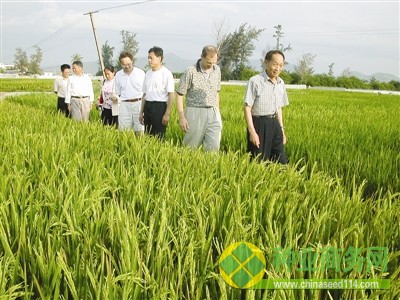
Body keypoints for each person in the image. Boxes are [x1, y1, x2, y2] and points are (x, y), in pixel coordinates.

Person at [243, 50, 289, 164]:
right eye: (275, 64)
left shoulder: (281, 83)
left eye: (281, 65)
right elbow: (247, 107)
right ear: (266, 63)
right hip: (259, 124)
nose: (277, 68)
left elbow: (279, 108)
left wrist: (282, 130)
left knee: (281, 162)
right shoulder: (255, 81)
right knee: (258, 162)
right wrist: (252, 132)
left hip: (275, 124)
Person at [176, 45, 222, 151]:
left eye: (214, 62)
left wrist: (217, 112)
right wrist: (182, 117)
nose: (211, 65)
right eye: (209, 62)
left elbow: (217, 92)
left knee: (214, 147)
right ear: (202, 56)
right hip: (195, 112)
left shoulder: (217, 70)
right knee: (191, 147)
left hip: (213, 112)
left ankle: (210, 167)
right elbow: (179, 95)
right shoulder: (190, 71)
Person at [139, 46, 175, 139]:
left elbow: (171, 95)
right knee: (148, 134)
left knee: (159, 136)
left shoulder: (166, 73)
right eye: (148, 58)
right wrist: (141, 112)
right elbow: (144, 94)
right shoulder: (147, 73)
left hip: (159, 107)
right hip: (148, 106)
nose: (149, 60)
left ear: (159, 59)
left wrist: (167, 113)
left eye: (151, 58)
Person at [113, 52, 145, 135]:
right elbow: (118, 92)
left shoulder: (140, 73)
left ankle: (140, 147)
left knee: (139, 129)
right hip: (124, 104)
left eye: (128, 63)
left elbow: (145, 92)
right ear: (120, 64)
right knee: (123, 131)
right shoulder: (118, 75)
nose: (127, 66)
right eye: (124, 64)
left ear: (132, 61)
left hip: (138, 104)